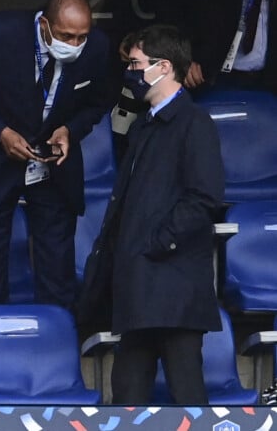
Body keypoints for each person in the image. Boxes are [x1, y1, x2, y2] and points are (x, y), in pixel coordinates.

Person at [0, 0, 112, 308]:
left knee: (57, 266)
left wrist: (70, 130)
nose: (74, 45)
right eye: (66, 36)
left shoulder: (98, 47)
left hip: (53, 165)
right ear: (44, 24)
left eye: (81, 38)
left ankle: (57, 341)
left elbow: (99, 101)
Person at [82, 25, 224, 404]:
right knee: (127, 396)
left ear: (163, 67)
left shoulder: (194, 124)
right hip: (139, 287)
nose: (129, 72)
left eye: (135, 63)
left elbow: (204, 197)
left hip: (174, 288)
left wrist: (156, 242)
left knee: (187, 396)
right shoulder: (144, 125)